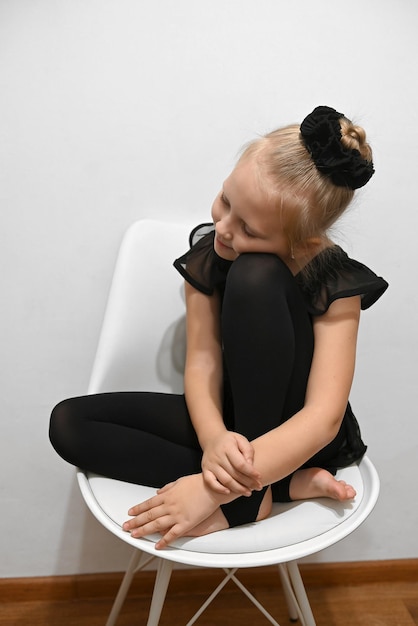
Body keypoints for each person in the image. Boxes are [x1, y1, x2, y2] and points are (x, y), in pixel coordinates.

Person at [49, 105, 388, 550]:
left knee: (256, 275)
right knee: (70, 423)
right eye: (226, 201)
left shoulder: (337, 283)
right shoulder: (212, 253)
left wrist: (216, 490)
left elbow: (322, 419)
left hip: (298, 438)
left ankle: (245, 499)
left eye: (248, 228)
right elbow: (204, 363)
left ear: (300, 243)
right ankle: (277, 487)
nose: (223, 230)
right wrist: (212, 441)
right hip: (230, 426)